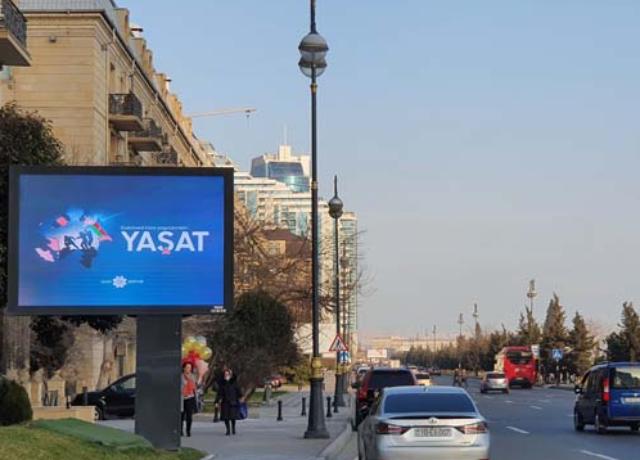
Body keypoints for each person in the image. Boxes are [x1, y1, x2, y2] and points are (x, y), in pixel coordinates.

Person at [215, 368, 243, 436]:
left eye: (228, 374)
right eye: (225, 375)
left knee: (233, 417)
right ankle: (228, 429)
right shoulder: (222, 384)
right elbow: (219, 393)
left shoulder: (234, 382)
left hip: (233, 402)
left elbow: (238, 391)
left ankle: (233, 428)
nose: (226, 376)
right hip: (225, 402)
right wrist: (217, 401)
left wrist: (240, 397)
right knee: (225, 417)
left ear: (230, 375)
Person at [181, 362, 197, 437]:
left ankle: (188, 430)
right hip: (182, 398)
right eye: (187, 367)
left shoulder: (192, 376)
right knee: (181, 415)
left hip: (190, 398)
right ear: (184, 368)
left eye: (190, 368)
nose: (188, 369)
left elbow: (194, 387)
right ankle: (180, 430)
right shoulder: (180, 376)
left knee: (189, 416)